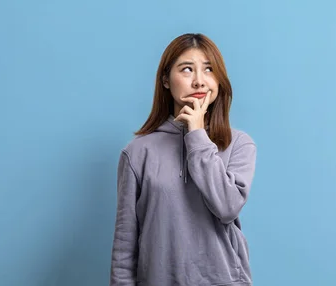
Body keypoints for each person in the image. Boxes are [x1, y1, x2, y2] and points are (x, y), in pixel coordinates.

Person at [109, 33, 257, 286]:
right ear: (166, 80)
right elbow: (125, 246)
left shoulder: (239, 144)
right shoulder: (137, 152)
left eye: (209, 69)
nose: (199, 81)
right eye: (187, 69)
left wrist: (197, 135)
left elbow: (227, 207)